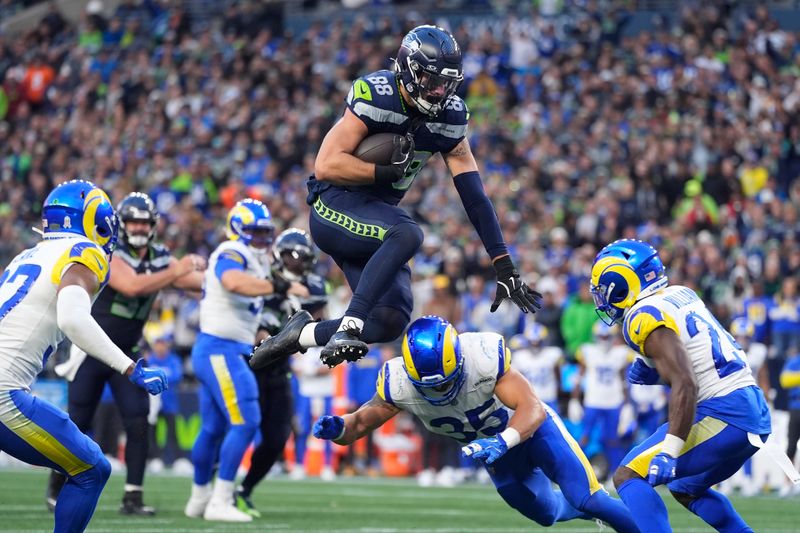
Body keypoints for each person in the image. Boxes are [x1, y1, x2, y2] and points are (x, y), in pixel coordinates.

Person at [250, 25, 540, 371]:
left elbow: (474, 196)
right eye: (432, 81)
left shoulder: (450, 117)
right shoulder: (377, 94)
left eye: (447, 83)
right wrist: (386, 173)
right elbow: (326, 166)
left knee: (390, 319)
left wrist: (502, 262)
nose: (439, 91)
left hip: (374, 223)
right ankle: (350, 325)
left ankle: (300, 335)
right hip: (334, 206)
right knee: (408, 233)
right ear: (407, 69)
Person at [313, 316, 639, 532]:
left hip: (531, 431)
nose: (439, 390)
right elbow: (358, 426)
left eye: (445, 381)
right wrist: (339, 428)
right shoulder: (398, 383)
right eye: (430, 386)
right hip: (495, 454)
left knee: (590, 496)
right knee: (546, 515)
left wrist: (503, 440)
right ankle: (582, 508)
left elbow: (532, 408)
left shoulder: (482, 356)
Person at [0, 180, 167, 533]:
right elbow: (73, 318)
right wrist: (130, 367)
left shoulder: (25, 256)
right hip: (4, 395)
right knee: (92, 468)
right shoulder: (84, 251)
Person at [590, 239, 772, 533]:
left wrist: (671, 450)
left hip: (724, 412)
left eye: (602, 287)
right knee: (686, 488)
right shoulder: (680, 293)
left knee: (628, 475)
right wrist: (658, 370)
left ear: (621, 281)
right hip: (751, 408)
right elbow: (695, 362)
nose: (600, 296)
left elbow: (686, 382)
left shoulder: (641, 316)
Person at [47, 192, 206, 515]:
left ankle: (133, 495)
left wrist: (215, 275)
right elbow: (133, 285)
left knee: (137, 421)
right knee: (77, 421)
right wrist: (177, 270)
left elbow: (196, 282)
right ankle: (55, 486)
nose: (137, 226)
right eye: (131, 220)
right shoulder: (109, 252)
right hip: (93, 350)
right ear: (121, 223)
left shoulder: (161, 257)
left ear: (152, 225)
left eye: (143, 221)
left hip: (130, 354)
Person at [184, 199, 308, 523]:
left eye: (265, 232)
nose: (261, 238)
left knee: (212, 428)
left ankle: (199, 499)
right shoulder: (231, 252)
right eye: (254, 232)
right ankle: (220, 500)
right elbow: (233, 282)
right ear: (238, 230)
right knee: (246, 420)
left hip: (220, 349)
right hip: (220, 348)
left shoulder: (257, 260)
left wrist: (282, 287)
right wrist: (275, 285)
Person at [236, 228, 328, 517]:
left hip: (280, 371)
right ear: (279, 255)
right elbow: (256, 328)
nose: (298, 261)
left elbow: (320, 314)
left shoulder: (313, 287)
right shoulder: (263, 279)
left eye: (304, 256)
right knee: (241, 429)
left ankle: (244, 489)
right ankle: (219, 488)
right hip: (250, 367)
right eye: (293, 255)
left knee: (278, 437)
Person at [573, 322, 631, 479]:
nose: (604, 340)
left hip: (613, 401)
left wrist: (627, 405)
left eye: (607, 336)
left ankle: (615, 475)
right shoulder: (588, 351)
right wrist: (574, 400)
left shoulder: (621, 353)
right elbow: (579, 377)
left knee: (612, 440)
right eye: (602, 336)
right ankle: (575, 473)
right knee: (584, 437)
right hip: (593, 400)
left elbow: (623, 379)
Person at [509, 322, 562, 413]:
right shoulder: (519, 356)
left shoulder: (553, 353)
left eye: (538, 342)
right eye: (532, 342)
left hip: (549, 397)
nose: (535, 345)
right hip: (529, 399)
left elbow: (558, 375)